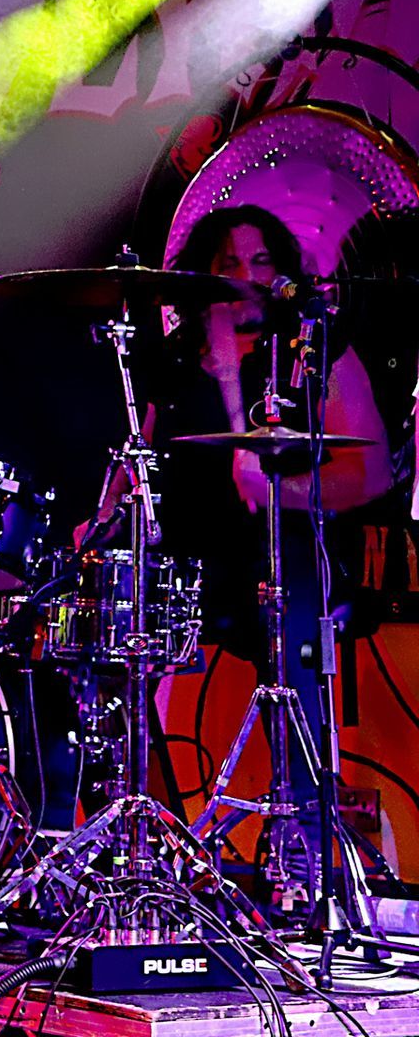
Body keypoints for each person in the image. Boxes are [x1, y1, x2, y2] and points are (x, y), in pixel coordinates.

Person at [150, 207, 392, 886]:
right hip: (188, 561)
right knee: (106, 638)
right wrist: (106, 519)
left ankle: (307, 856)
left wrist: (280, 491)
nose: (246, 276)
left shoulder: (317, 350)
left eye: (260, 261)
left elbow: (371, 473)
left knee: (294, 632)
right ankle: (152, 846)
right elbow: (136, 459)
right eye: (228, 263)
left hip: (285, 561)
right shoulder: (173, 361)